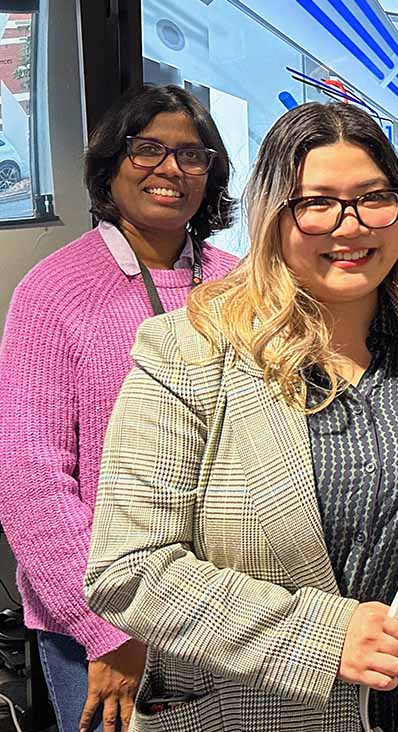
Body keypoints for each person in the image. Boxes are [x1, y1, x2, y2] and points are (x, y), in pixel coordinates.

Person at [83, 102, 398, 732]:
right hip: (248, 713)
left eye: (372, 198)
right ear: (275, 215)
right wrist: (322, 637)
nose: (350, 226)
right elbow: (128, 569)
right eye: (317, 203)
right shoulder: (190, 349)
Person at [0, 84, 238, 732]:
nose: (171, 169)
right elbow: (30, 479)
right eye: (148, 149)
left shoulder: (242, 284)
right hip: (108, 625)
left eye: (192, 155)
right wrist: (102, 627)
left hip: (225, 606)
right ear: (111, 163)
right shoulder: (52, 292)